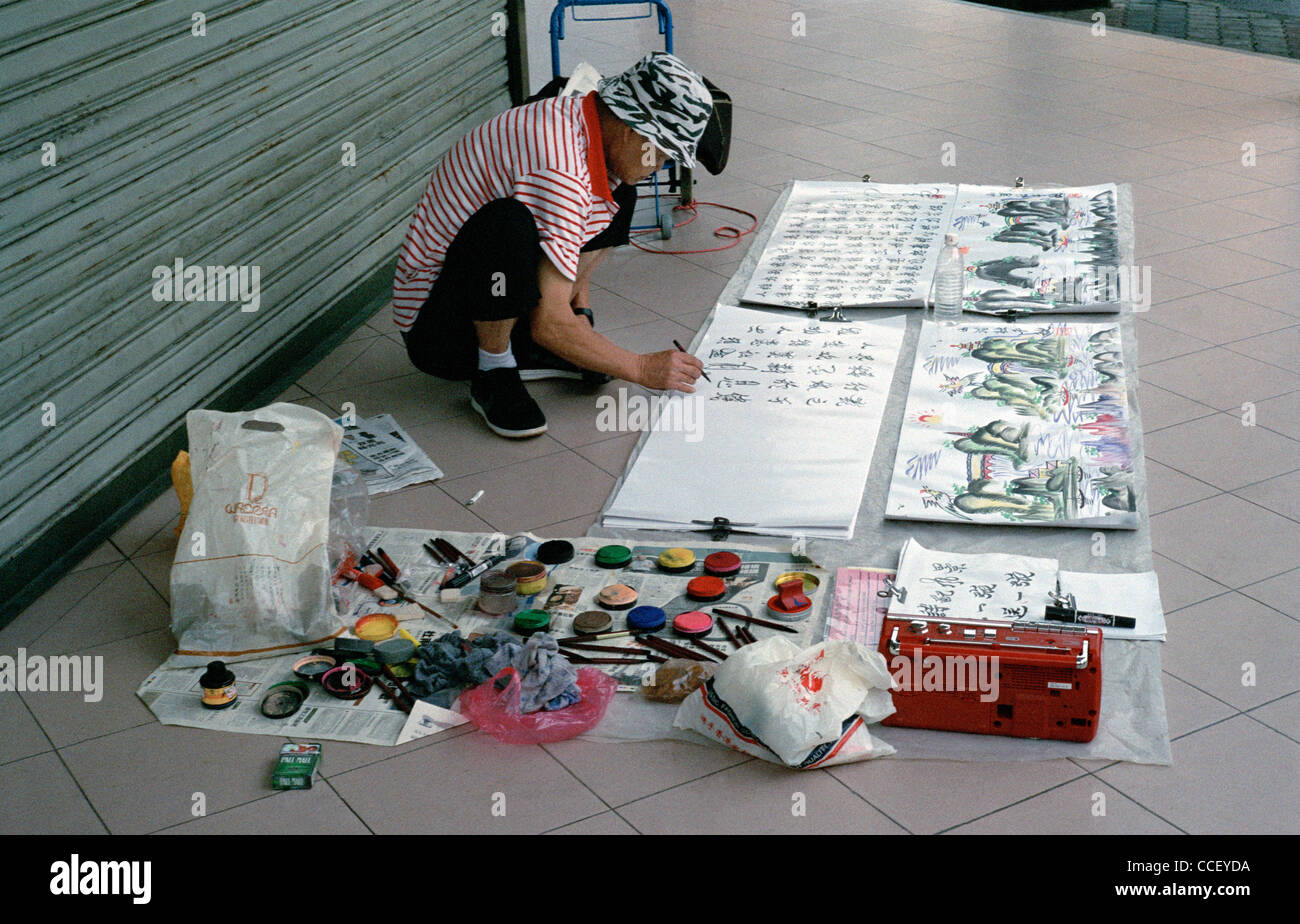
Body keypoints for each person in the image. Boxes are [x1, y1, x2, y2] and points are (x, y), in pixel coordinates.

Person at [393, 52, 712, 438]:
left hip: (500, 298)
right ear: (633, 129)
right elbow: (547, 323)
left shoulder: (586, 118)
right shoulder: (558, 167)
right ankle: (493, 368)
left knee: (621, 189)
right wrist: (641, 368)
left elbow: (583, 223)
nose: (659, 165)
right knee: (507, 223)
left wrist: (581, 318)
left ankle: (547, 341)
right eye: (662, 154)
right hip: (439, 329)